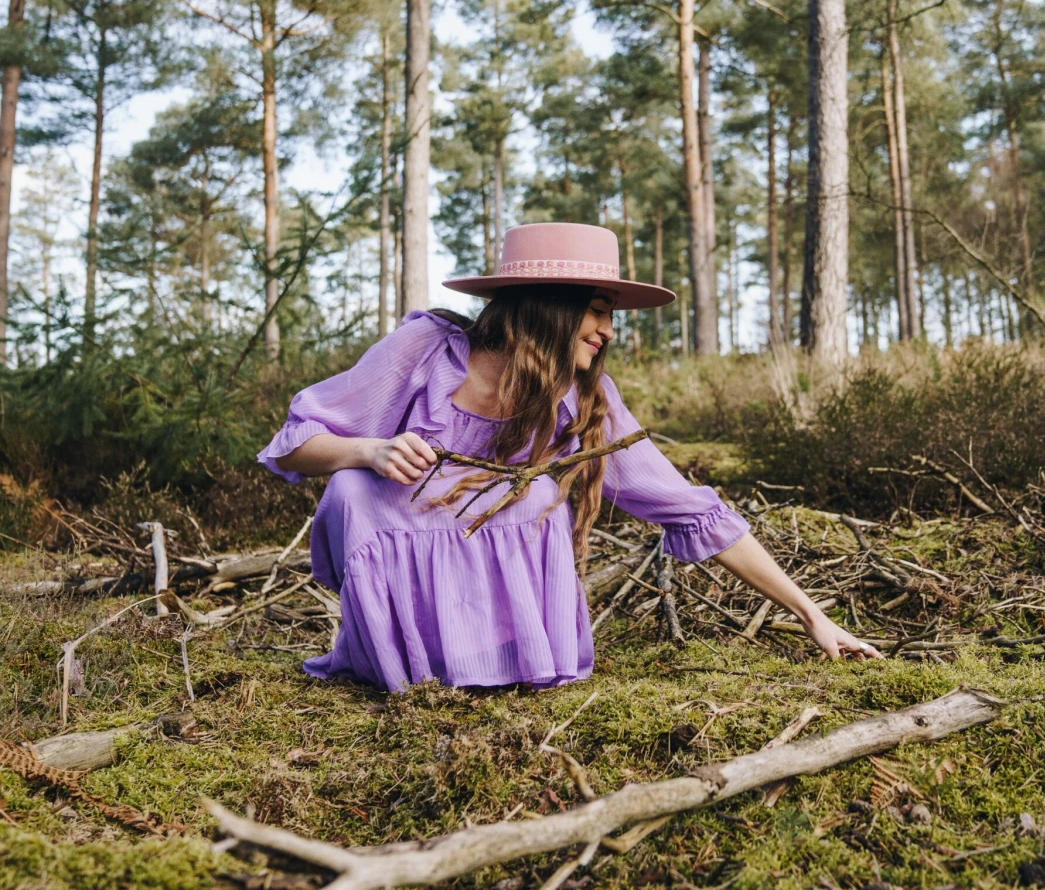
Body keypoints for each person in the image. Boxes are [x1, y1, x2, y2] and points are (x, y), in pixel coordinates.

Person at [259, 222, 878, 692]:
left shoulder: (581, 399)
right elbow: (299, 442)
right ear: (551, 302)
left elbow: (688, 508)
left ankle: (498, 659)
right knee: (352, 487)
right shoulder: (426, 350)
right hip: (405, 628)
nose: (609, 330)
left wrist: (810, 615)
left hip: (514, 651)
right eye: (598, 310)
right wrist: (369, 449)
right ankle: (405, 666)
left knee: (533, 494)